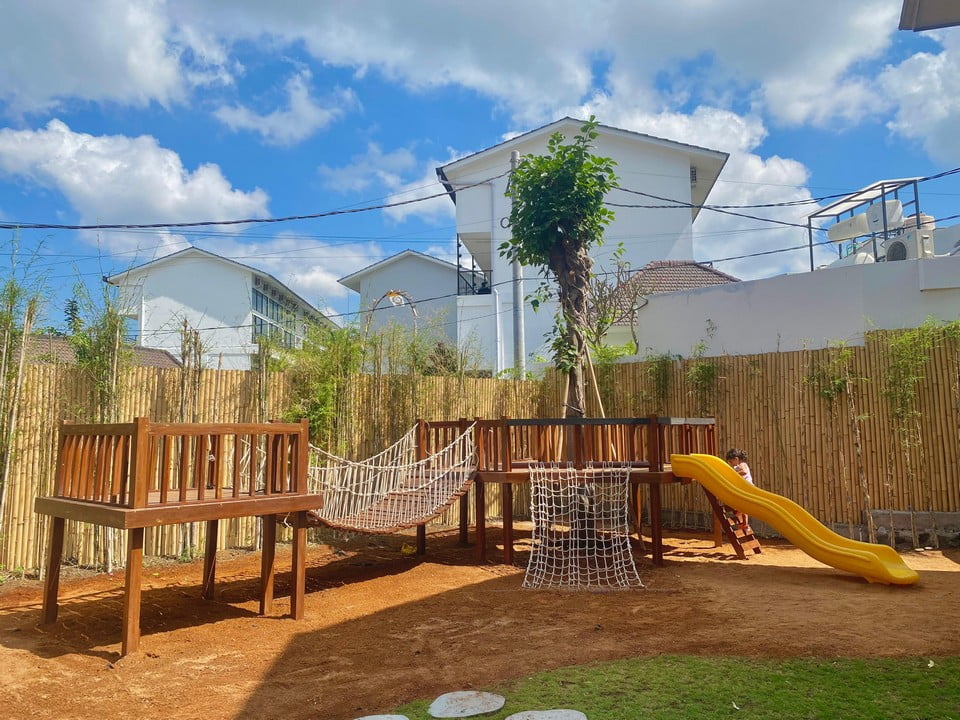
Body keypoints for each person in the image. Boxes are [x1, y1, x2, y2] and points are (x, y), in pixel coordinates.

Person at [724, 448, 753, 530]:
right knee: (743, 508)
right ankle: (745, 524)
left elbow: (744, 472)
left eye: (731, 461)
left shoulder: (742, 464)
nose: (730, 463)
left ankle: (743, 521)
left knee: (741, 506)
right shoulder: (737, 466)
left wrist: (734, 474)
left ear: (736, 459)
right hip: (744, 488)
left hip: (746, 487)